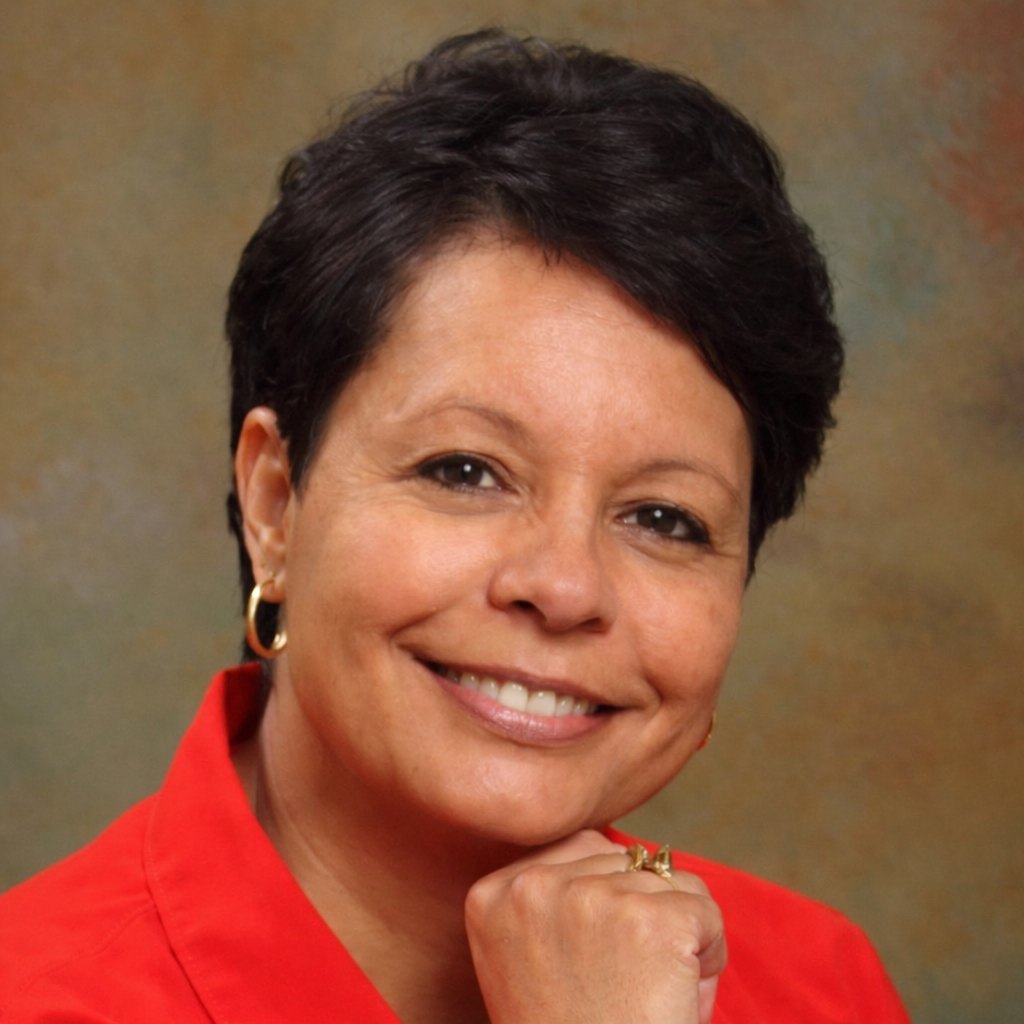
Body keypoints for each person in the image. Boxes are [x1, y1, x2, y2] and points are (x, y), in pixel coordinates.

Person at [0, 28, 910, 1024]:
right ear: (274, 502)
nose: (564, 586)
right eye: (466, 470)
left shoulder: (817, 986)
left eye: (664, 517)